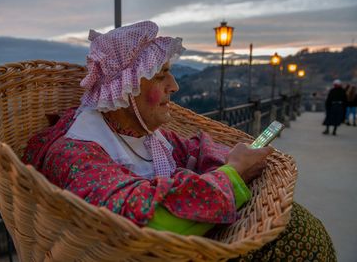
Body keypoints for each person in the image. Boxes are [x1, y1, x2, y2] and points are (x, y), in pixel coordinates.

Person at [22, 21, 336, 261]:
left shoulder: (149, 136)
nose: (174, 86)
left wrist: (231, 164)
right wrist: (233, 173)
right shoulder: (75, 152)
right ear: (126, 89)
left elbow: (198, 149)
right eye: (162, 75)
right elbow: (150, 224)